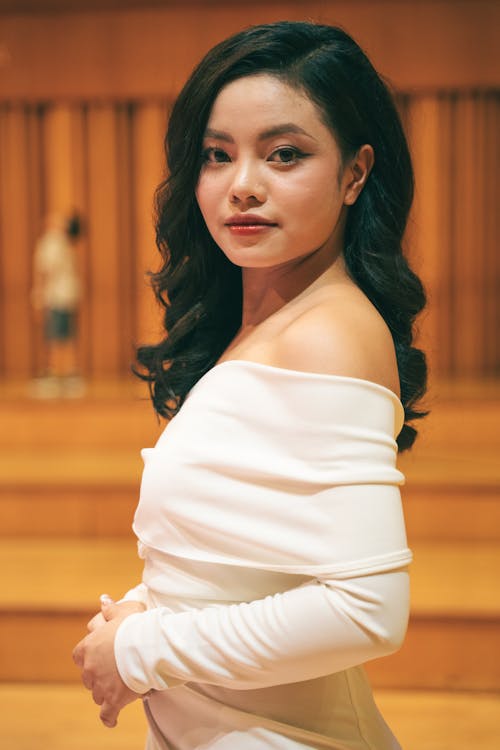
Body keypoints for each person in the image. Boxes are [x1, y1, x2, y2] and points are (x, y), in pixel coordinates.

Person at [73, 20, 427, 750]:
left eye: (284, 154)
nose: (242, 186)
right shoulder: (271, 321)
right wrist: (141, 610)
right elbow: (244, 559)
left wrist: (140, 650)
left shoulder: (328, 332)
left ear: (355, 174)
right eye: (217, 155)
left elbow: (367, 609)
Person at [31, 210, 84, 397]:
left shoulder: (53, 241)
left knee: (56, 336)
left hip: (57, 297)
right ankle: (68, 375)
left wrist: (38, 296)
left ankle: (57, 376)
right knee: (64, 335)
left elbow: (45, 271)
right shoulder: (63, 243)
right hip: (67, 295)